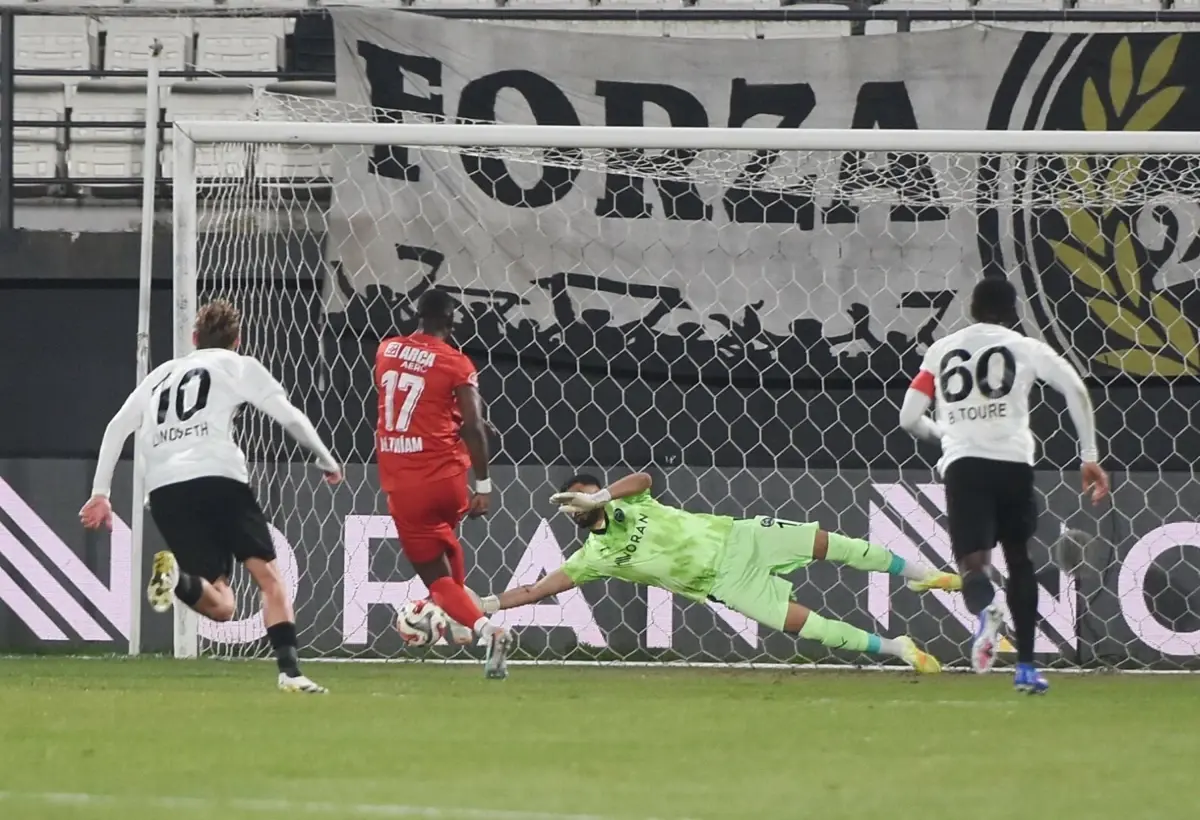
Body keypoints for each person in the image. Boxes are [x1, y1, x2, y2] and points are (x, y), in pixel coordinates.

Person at [79, 299, 339, 694]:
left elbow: (117, 427)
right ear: (238, 340)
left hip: (165, 489)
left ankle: (174, 578)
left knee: (222, 606)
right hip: (219, 477)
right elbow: (288, 415)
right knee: (269, 580)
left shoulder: (160, 375)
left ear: (194, 338)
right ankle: (290, 673)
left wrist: (101, 493)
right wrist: (325, 458)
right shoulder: (238, 365)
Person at [478, 471, 960, 674]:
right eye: (574, 500)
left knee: (834, 545)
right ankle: (900, 648)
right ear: (570, 512)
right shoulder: (593, 556)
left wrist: (601, 496)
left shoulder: (629, 499)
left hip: (742, 536)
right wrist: (486, 605)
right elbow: (538, 587)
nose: (582, 500)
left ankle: (925, 572)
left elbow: (644, 478)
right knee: (806, 626)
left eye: (589, 491)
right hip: (725, 584)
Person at [899, 277, 1109, 694]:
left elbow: (908, 418)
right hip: (1013, 464)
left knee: (973, 566)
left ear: (972, 309)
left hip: (964, 465)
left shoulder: (942, 350)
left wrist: (946, 434)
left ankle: (989, 609)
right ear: (1013, 312)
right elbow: (1075, 389)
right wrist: (1089, 457)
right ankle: (1027, 669)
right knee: (1019, 559)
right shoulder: (1026, 348)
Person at [376, 289, 511, 679]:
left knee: (435, 577)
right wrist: (483, 486)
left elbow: (408, 404)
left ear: (416, 317)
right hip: (449, 480)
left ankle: (484, 628)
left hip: (406, 481)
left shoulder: (385, 351)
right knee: (446, 542)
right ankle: (460, 618)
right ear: (452, 324)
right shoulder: (456, 362)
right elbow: (473, 426)